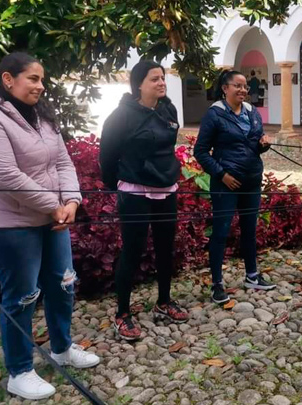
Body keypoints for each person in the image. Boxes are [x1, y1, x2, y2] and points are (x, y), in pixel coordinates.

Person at [0, 52, 100, 400]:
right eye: (33, 79)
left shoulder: (41, 117)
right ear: (8, 80)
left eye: (43, 79)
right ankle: (20, 370)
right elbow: (5, 177)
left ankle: (62, 348)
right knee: (21, 298)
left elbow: (63, 162)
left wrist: (71, 202)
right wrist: (54, 207)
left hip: (53, 219)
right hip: (9, 224)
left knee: (63, 284)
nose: (41, 86)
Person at [100, 60, 188, 341]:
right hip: (135, 191)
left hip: (166, 188)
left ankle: (164, 300)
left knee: (166, 247)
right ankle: (122, 313)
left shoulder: (168, 109)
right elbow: (107, 157)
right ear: (138, 84)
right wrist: (118, 184)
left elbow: (168, 146)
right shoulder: (121, 116)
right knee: (133, 252)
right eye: (154, 79)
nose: (161, 83)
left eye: (162, 78)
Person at [194, 70, 276, 304]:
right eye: (237, 86)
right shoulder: (215, 115)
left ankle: (252, 275)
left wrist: (263, 145)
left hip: (251, 181)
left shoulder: (253, 113)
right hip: (226, 183)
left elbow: (253, 146)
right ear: (224, 88)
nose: (242, 90)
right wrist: (222, 174)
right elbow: (200, 151)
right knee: (221, 232)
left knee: (250, 230)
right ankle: (217, 284)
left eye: (245, 87)